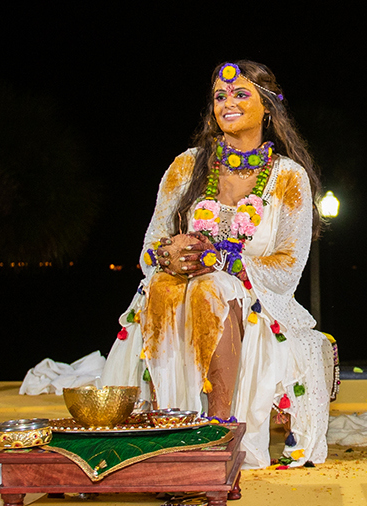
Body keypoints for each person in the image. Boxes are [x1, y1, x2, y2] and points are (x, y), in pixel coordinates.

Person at [102, 60, 334, 468]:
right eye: (220, 96)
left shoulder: (288, 177)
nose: (227, 103)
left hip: (259, 302)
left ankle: (217, 432)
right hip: (178, 290)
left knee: (215, 287)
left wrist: (223, 260)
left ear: (268, 107)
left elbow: (289, 267)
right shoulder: (186, 166)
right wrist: (169, 254)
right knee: (160, 285)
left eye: (240, 94)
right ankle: (164, 429)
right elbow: (148, 249)